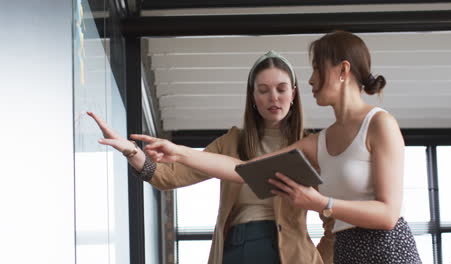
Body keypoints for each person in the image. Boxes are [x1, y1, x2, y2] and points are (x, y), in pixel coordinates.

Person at [134, 31, 422, 264]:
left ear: (342, 70)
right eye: (263, 90)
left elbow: (387, 215)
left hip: (384, 249)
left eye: (316, 69)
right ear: (253, 96)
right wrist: (180, 151)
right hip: (345, 251)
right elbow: (244, 170)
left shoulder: (379, 123)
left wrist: (319, 208)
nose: (310, 79)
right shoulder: (317, 143)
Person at [89, 50, 334, 264]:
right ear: (252, 96)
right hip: (240, 247)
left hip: (291, 252)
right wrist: (132, 151)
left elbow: (333, 217)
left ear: (293, 94)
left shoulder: (310, 148)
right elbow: (170, 176)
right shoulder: (231, 143)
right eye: (263, 90)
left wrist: (318, 260)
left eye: (281, 89)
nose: (274, 98)